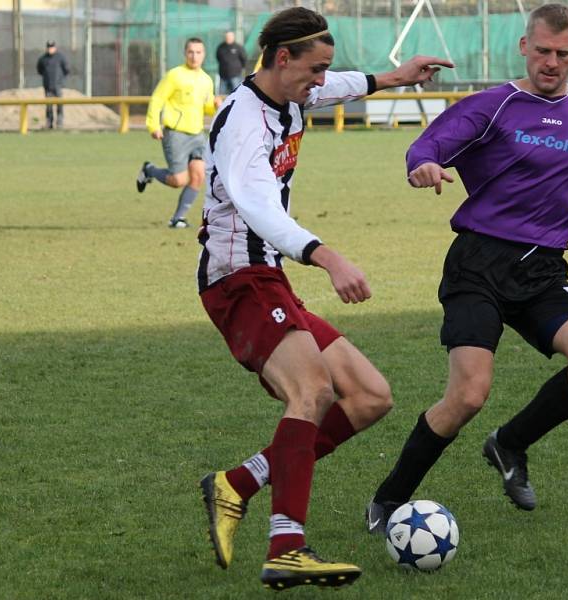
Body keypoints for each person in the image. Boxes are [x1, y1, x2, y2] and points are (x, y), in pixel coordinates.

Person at [366, 3, 568, 535]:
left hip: (542, 270)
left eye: (563, 54)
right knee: (468, 395)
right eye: (542, 50)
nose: (551, 62)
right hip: (479, 264)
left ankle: (510, 443)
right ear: (524, 46)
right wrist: (423, 166)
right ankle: (388, 499)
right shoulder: (493, 105)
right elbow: (428, 144)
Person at [195, 7, 452, 591]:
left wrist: (394, 77)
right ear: (281, 59)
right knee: (313, 390)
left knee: (368, 397)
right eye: (313, 69)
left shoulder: (290, 92)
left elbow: (335, 87)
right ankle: (286, 546)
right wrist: (328, 257)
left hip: (268, 278)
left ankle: (237, 483)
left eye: (324, 70)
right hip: (238, 276)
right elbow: (260, 207)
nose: (320, 79)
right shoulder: (243, 122)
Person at [135, 38, 220, 228]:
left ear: (204, 55)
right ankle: (149, 170)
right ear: (185, 54)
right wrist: (153, 125)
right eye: (191, 52)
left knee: (198, 175)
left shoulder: (206, 80)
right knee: (178, 180)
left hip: (197, 135)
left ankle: (178, 218)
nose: (194, 56)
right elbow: (157, 99)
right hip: (175, 134)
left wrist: (214, 106)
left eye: (198, 52)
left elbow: (205, 108)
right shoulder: (175, 75)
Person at [36, 41, 69, 130]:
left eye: (52, 47)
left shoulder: (60, 57)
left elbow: (66, 69)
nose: (50, 49)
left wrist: (60, 80)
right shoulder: (43, 59)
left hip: (58, 85)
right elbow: (39, 70)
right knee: (49, 105)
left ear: (55, 47)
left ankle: (59, 122)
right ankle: (49, 122)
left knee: (59, 104)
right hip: (48, 86)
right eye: (49, 47)